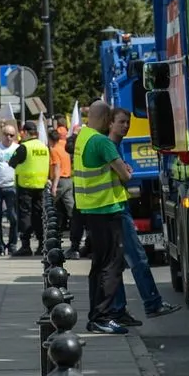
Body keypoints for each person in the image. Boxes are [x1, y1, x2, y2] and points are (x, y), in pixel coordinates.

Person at [107, 107, 180, 325]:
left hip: (116, 208)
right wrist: (126, 172)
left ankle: (120, 310)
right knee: (137, 259)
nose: (126, 126)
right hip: (116, 210)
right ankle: (152, 303)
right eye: (121, 122)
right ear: (110, 123)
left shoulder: (115, 145)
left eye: (127, 122)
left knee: (119, 262)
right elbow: (125, 176)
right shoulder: (110, 146)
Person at [73, 101, 133, 334]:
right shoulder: (102, 142)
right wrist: (125, 170)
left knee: (99, 266)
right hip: (107, 209)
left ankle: (97, 315)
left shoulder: (84, 136)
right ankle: (102, 316)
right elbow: (125, 175)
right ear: (106, 118)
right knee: (111, 265)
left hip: (91, 210)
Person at [8, 120, 49, 256]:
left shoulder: (24, 147)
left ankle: (26, 246)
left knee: (25, 216)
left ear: (25, 132)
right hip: (40, 185)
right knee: (39, 216)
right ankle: (41, 245)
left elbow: (12, 163)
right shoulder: (44, 147)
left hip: (25, 186)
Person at [0, 123, 21, 256]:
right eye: (6, 134)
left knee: (13, 218)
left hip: (11, 187)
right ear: (2, 135)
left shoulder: (18, 148)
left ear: (15, 136)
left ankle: (12, 245)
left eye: (11, 135)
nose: (8, 137)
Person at [48, 125, 77, 254]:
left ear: (50, 139)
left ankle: (53, 234)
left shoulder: (54, 150)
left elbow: (57, 167)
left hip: (60, 181)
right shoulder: (63, 146)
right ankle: (77, 229)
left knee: (50, 207)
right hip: (69, 179)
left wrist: (54, 186)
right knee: (70, 208)